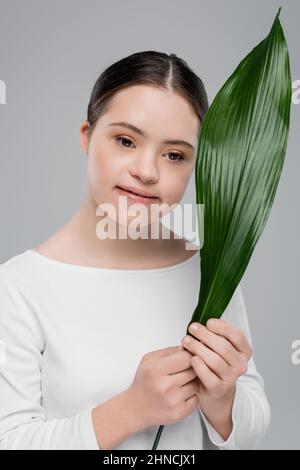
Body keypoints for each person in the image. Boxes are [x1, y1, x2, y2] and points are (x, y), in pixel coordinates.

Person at [0, 51, 270, 450]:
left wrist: (222, 398)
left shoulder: (209, 272)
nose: (146, 171)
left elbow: (254, 422)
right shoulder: (18, 287)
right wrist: (129, 410)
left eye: (174, 155)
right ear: (87, 136)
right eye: (126, 140)